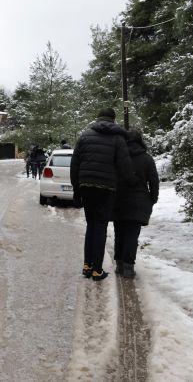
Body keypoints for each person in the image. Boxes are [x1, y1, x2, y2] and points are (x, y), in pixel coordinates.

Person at [70, 107, 135, 281]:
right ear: (113, 120)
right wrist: (131, 182)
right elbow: (125, 166)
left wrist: (77, 190)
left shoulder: (84, 136)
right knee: (100, 227)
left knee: (91, 226)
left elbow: (75, 165)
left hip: (86, 186)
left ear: (98, 118)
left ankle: (87, 265)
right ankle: (97, 270)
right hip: (106, 189)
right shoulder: (118, 138)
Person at [113, 129, 159, 278]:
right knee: (132, 235)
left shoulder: (118, 158)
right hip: (139, 201)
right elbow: (153, 181)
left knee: (119, 233)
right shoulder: (147, 159)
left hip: (118, 200)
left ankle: (119, 264)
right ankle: (128, 267)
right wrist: (152, 199)